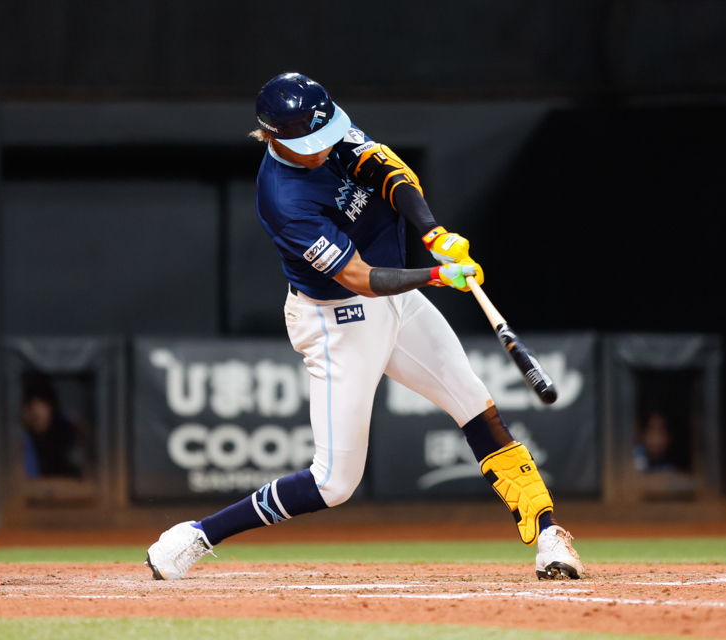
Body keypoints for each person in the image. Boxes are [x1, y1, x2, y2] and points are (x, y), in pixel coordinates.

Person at [145, 73, 583, 581]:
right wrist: (436, 275)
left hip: (397, 302)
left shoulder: (329, 130)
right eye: (314, 142)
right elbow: (359, 278)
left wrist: (434, 234)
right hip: (338, 321)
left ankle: (548, 533)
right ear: (278, 138)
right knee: (334, 483)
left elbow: (393, 174)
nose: (327, 144)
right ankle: (198, 535)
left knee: (475, 403)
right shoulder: (283, 200)